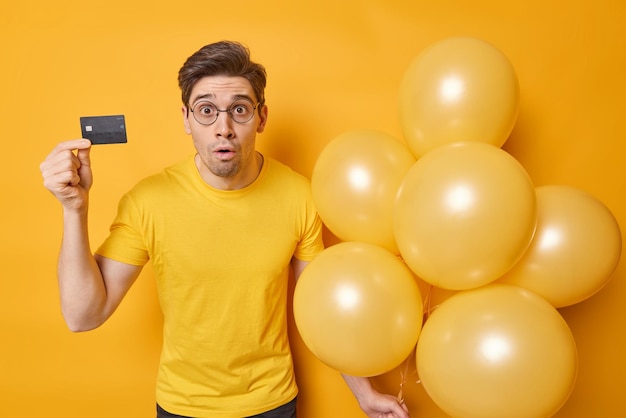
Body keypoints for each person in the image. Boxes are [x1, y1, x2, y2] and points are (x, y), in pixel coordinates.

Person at [40, 40, 409, 418]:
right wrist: (74, 210)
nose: (224, 128)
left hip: (273, 404)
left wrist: (365, 393)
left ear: (261, 117)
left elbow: (324, 311)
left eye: (239, 110)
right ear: (185, 118)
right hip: (183, 407)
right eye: (206, 111)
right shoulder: (148, 201)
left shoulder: (299, 196)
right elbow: (83, 315)